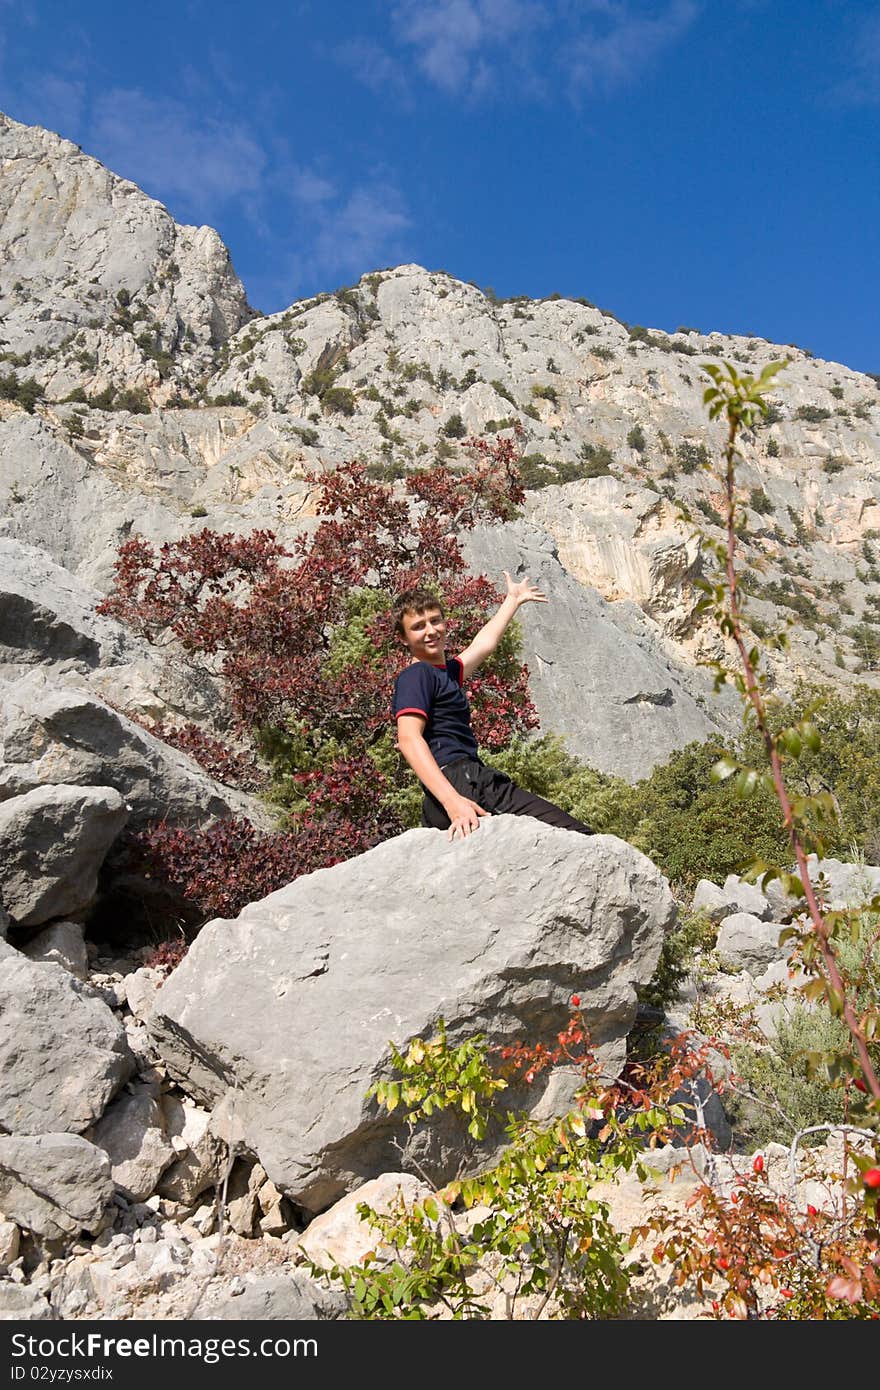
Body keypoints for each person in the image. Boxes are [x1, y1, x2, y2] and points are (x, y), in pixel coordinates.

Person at [392, 574, 594, 842]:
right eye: (418, 626)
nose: (431, 630)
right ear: (403, 638)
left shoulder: (446, 674)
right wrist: (453, 802)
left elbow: (483, 644)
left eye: (435, 620)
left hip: (454, 786)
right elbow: (408, 739)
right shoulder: (417, 675)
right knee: (580, 837)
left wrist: (512, 600)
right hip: (460, 782)